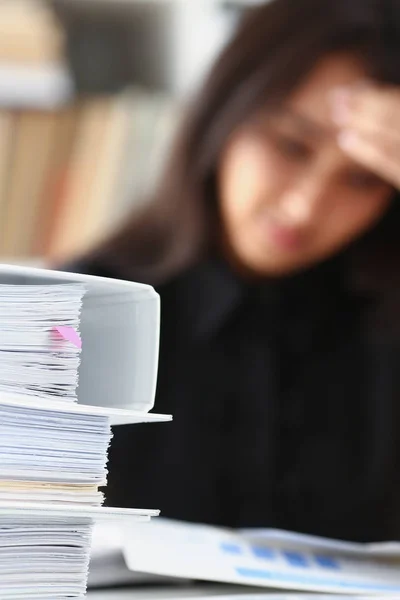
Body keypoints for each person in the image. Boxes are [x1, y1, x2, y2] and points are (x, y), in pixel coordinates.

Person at [65, 0, 400, 542]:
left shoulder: (384, 324)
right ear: (224, 114)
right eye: (290, 145)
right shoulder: (68, 319)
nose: (304, 207)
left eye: (363, 179)